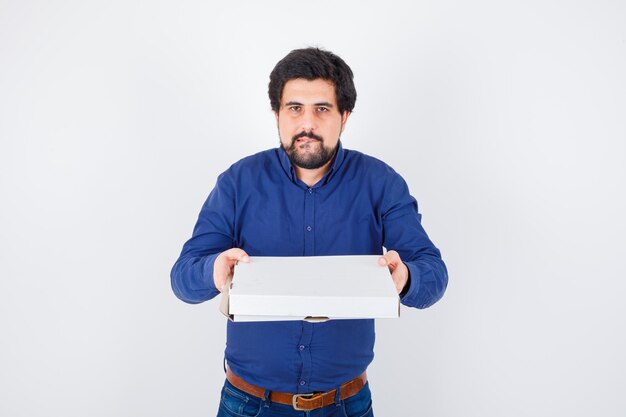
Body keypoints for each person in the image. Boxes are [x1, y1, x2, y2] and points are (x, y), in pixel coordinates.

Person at [171, 47, 448, 417]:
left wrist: (405, 276)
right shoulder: (238, 182)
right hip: (248, 405)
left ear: (344, 117)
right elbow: (182, 278)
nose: (307, 124)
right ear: (277, 116)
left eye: (322, 109)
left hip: (346, 405)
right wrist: (214, 269)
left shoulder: (381, 182)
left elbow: (433, 275)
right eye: (294, 108)